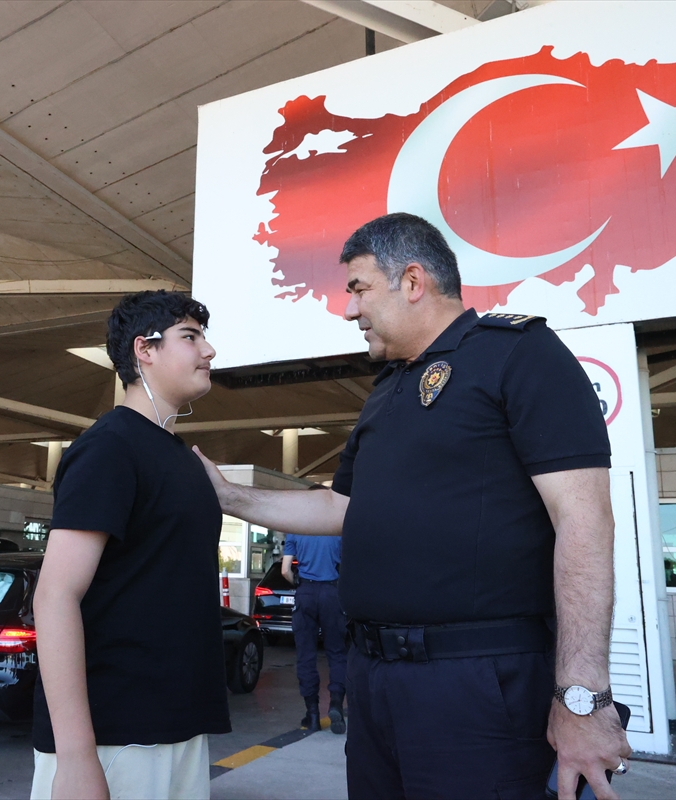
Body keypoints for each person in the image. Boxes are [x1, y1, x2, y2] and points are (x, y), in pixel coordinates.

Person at [194, 213, 630, 800]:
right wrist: (226, 495)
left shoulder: (520, 355)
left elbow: (583, 521)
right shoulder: (387, 391)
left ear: (414, 281)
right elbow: (338, 508)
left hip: (476, 685)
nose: (349, 309)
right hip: (374, 681)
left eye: (358, 288)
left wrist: (582, 697)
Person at [31, 291, 227, 800]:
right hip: (117, 736)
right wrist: (75, 757)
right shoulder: (110, 448)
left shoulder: (179, 456)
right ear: (145, 349)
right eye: (191, 337)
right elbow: (55, 596)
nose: (208, 351)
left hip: (178, 724)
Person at [281, 527, 347, 734]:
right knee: (337, 653)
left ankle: (312, 714)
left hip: (306, 593)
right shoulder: (337, 530)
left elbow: (285, 570)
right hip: (332, 592)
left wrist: (300, 585)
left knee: (306, 655)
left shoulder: (296, 531)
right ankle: (336, 703)